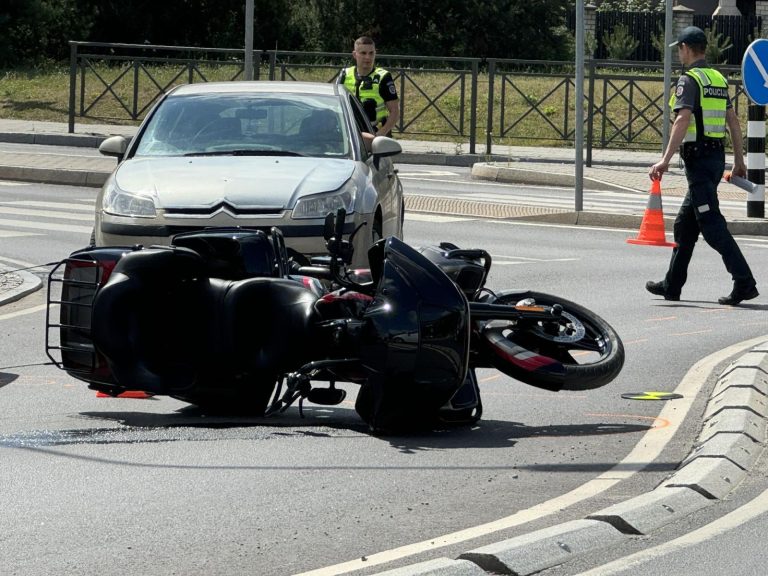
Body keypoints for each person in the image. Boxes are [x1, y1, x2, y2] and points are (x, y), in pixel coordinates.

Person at [646, 26, 758, 306]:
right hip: (715, 158)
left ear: (686, 47)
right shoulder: (718, 78)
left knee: (711, 224)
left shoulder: (689, 79)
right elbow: (733, 121)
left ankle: (744, 282)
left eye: (679, 48)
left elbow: (682, 119)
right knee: (685, 225)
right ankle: (672, 285)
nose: (679, 53)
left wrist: (665, 159)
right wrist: (739, 160)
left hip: (698, 160)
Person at [338, 36, 399, 139]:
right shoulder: (345, 74)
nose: (368, 57)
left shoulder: (383, 77)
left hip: (375, 132)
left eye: (371, 53)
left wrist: (380, 134)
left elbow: (395, 111)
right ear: (355, 55)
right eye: (363, 53)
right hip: (350, 133)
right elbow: (336, 106)